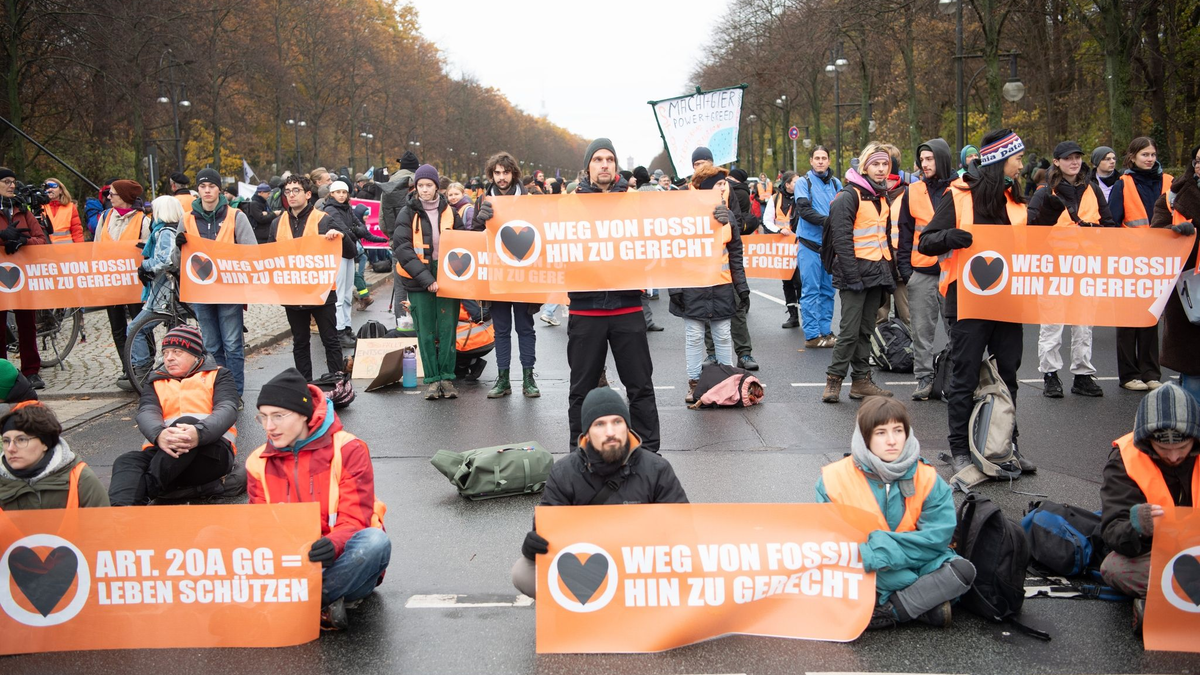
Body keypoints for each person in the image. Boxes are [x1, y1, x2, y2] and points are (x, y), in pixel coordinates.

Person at [918, 128, 1036, 475]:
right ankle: (959, 450)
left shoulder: (1016, 199)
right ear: (1001, 161)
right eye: (1017, 158)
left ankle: (1005, 446)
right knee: (965, 375)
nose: (1021, 165)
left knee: (1008, 375)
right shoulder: (959, 196)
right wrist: (948, 237)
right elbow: (926, 242)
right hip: (967, 302)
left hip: (1008, 300)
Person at [246, 367, 390, 631]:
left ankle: (298, 603)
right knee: (208, 536)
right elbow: (260, 529)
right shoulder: (257, 461)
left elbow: (356, 517)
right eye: (263, 417)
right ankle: (323, 604)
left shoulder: (347, 448)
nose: (269, 427)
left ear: (303, 414)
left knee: (375, 542)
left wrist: (332, 545)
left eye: (278, 416)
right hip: (291, 564)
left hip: (340, 561)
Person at [511, 387, 688, 598]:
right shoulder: (564, 472)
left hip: (642, 569)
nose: (610, 432)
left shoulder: (657, 469)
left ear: (628, 428)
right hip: (588, 567)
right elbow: (547, 531)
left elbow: (682, 530)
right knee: (524, 572)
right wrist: (533, 545)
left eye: (617, 422)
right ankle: (580, 604)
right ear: (587, 433)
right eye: (600, 424)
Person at [816, 396, 975, 630]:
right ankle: (920, 604)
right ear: (865, 437)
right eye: (880, 433)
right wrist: (890, 568)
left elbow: (936, 539)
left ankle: (888, 610)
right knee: (831, 573)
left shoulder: (928, 477)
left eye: (898, 431)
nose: (891, 441)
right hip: (865, 567)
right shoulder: (832, 480)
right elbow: (832, 543)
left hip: (912, 561)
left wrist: (881, 551)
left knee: (962, 571)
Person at [566, 139, 661, 452]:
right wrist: (490, 216)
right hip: (585, 309)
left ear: (616, 165)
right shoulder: (569, 202)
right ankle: (578, 454)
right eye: (597, 159)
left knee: (640, 386)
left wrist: (716, 217)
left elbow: (671, 229)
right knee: (581, 390)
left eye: (609, 159)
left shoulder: (636, 201)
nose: (604, 164)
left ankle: (649, 454)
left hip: (626, 306)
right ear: (588, 167)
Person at [1100, 383, 1199, 633]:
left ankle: (1167, 603)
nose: (1175, 456)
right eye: (1164, 449)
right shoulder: (1125, 457)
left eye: (1183, 448)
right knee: (1114, 568)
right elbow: (1113, 530)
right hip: (1157, 555)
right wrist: (1138, 526)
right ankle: (1181, 601)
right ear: (1148, 441)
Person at [108, 325, 241, 506]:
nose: (169, 358)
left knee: (186, 424)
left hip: (211, 454)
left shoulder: (219, 375)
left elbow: (227, 409)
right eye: (166, 352)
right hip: (164, 453)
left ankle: (150, 488)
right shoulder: (155, 379)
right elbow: (147, 412)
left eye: (177, 352)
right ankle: (120, 518)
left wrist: (198, 433)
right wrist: (159, 435)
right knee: (126, 461)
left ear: (195, 355)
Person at [1027, 140, 1117, 399]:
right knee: (1052, 324)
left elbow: (1109, 224)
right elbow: (1030, 230)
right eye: (1068, 158)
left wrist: (1095, 233)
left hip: (1085, 266)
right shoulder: (1045, 192)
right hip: (1054, 268)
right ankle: (1050, 375)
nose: (1074, 162)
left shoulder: (1092, 189)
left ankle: (1082, 374)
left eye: (1077, 157)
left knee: (1083, 324)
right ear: (1056, 162)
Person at [821, 143, 896, 403]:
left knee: (865, 331)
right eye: (876, 164)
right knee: (850, 331)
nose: (881, 169)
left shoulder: (881, 195)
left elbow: (883, 237)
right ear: (864, 166)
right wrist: (853, 278)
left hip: (877, 271)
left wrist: (890, 271)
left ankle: (861, 381)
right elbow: (841, 240)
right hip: (855, 274)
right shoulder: (848, 196)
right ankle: (834, 381)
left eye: (885, 164)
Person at [177, 168, 257, 399]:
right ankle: (219, 392)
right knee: (211, 346)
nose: (207, 191)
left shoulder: (235, 216)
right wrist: (178, 245)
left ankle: (235, 394)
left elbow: (250, 253)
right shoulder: (187, 218)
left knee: (232, 345)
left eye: (211, 186)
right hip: (201, 292)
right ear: (198, 190)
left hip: (229, 290)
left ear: (218, 189)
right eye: (202, 186)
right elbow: (177, 261)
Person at [671, 165, 747, 403]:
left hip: (721, 285)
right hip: (692, 286)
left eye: (724, 184)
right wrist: (675, 288)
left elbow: (735, 253)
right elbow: (674, 252)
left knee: (723, 335)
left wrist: (742, 287)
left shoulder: (728, 215)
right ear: (705, 188)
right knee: (694, 335)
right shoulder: (684, 213)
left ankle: (727, 383)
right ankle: (694, 384)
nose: (725, 187)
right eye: (719, 184)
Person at [471, 153, 541, 399]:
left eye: (506, 173)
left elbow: (542, 233)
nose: (501, 178)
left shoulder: (531, 199)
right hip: (496, 276)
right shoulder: (482, 200)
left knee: (525, 329)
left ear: (513, 173)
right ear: (492, 175)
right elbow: (474, 241)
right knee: (501, 330)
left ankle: (528, 379)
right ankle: (503, 380)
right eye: (497, 173)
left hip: (524, 276)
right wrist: (479, 222)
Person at [393, 164, 466, 400]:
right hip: (418, 276)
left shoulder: (450, 212)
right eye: (420, 185)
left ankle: (447, 376)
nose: (424, 190)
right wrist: (426, 280)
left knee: (447, 328)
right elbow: (402, 249)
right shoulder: (407, 212)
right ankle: (433, 380)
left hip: (448, 272)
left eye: (428, 185)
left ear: (436, 186)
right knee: (425, 330)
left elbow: (464, 242)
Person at [269, 175, 347, 381]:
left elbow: (348, 250)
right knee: (300, 341)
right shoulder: (277, 223)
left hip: (321, 291)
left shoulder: (324, 219)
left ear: (308, 194)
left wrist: (338, 236)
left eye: (296, 191)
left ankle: (336, 382)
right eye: (288, 192)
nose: (291, 195)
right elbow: (268, 256)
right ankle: (305, 386)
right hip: (293, 293)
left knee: (330, 339)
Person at [1108, 137, 1171, 391]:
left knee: (1150, 317)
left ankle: (1150, 372)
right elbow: (1112, 222)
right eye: (1144, 154)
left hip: (1158, 260)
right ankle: (1128, 375)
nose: (1150, 159)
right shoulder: (1123, 184)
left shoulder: (1169, 182)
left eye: (1153, 154)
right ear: (1132, 157)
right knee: (1127, 319)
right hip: (1129, 260)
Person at [898, 138, 954, 401]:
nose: (925, 164)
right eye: (922, 160)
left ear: (942, 159)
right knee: (921, 330)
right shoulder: (913, 191)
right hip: (921, 272)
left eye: (930, 159)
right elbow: (905, 232)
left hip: (953, 269)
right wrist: (907, 272)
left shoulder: (960, 189)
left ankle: (954, 377)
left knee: (958, 329)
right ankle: (924, 378)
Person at [692, 147, 757, 370]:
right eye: (697, 163)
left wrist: (730, 225)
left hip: (726, 262)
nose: (701, 166)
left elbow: (737, 221)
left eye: (705, 162)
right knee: (707, 313)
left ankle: (744, 353)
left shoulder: (726, 190)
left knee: (737, 308)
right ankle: (712, 354)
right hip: (702, 268)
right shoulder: (686, 196)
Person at [1151, 143, 1200, 403]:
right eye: (1198, 161)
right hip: (1187, 290)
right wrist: (1174, 232)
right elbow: (1156, 232)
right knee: (1192, 368)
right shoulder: (1174, 195)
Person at [95, 179, 151, 391]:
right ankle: (127, 367)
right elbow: (97, 246)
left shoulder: (142, 221)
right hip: (112, 282)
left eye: (113, 194)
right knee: (117, 327)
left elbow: (147, 249)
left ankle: (144, 364)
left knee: (140, 326)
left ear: (125, 197)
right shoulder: (105, 217)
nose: (109, 197)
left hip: (135, 284)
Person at [0, 402, 108, 509]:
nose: (10, 448)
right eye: (6, 441)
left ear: (45, 443)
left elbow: (103, 524)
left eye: (21, 440)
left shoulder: (80, 479)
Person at [126, 196, 185, 387]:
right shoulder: (175, 228)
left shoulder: (164, 231)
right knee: (175, 332)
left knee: (135, 328)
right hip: (173, 289)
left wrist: (145, 265)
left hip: (164, 292)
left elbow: (166, 259)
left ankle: (142, 371)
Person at [0, 167, 47, 389]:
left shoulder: (22, 210)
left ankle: (31, 371)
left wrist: (24, 242)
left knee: (27, 325)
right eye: (6, 181)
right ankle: (2, 372)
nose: (12, 185)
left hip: (23, 276)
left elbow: (41, 239)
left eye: (13, 181)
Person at [796, 147, 841, 349]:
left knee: (828, 291)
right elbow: (804, 210)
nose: (821, 161)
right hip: (809, 244)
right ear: (811, 161)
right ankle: (812, 335)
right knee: (811, 290)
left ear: (829, 161)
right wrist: (830, 222)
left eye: (824, 158)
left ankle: (826, 331)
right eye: (817, 158)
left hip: (829, 245)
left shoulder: (835, 183)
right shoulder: (802, 182)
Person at [320, 180, 363, 349]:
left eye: (344, 192)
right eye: (338, 192)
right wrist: (354, 233)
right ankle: (338, 331)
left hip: (349, 253)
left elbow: (358, 226)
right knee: (338, 295)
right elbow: (345, 230)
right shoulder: (330, 210)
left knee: (347, 294)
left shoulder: (347, 208)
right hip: (338, 254)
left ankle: (346, 327)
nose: (342, 195)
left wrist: (355, 232)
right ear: (332, 193)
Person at [762, 170, 803, 329]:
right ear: (787, 185)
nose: (799, 184)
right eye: (795, 182)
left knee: (800, 281)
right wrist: (779, 231)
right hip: (783, 246)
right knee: (787, 281)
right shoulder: (775, 199)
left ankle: (804, 314)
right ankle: (793, 315)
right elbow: (767, 220)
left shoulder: (803, 198)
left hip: (800, 245)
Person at [42, 177, 84, 243]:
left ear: (61, 190)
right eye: (47, 187)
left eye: (53, 186)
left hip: (67, 250)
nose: (50, 189)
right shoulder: (40, 207)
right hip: (46, 250)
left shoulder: (70, 207)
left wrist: (80, 249)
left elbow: (77, 231)